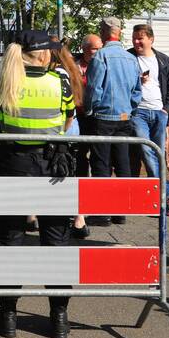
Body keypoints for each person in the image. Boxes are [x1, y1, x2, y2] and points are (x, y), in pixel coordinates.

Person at [0, 30, 76, 338]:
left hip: (14, 163)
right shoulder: (59, 82)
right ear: (41, 54)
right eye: (51, 51)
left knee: (11, 241)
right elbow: (68, 120)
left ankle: (8, 317)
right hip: (53, 165)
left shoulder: (6, 82)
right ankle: (59, 319)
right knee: (56, 242)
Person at [85, 17, 142, 225]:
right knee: (123, 163)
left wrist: (90, 110)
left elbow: (93, 89)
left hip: (103, 117)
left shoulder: (101, 56)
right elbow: (137, 91)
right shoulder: (131, 59)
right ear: (119, 32)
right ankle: (121, 212)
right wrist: (129, 109)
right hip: (125, 117)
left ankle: (102, 213)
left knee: (101, 164)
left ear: (103, 32)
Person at [129, 24, 169, 218]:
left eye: (140, 38)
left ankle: (161, 201)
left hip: (159, 113)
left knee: (158, 155)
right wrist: (136, 82)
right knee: (147, 151)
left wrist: (167, 110)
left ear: (151, 39)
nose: (136, 42)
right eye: (134, 38)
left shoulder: (164, 61)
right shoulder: (129, 58)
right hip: (138, 112)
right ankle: (165, 191)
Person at [70, 34, 102, 238]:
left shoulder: (102, 64)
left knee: (98, 161)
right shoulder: (74, 65)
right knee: (80, 161)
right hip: (77, 117)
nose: (98, 53)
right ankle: (78, 211)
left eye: (99, 49)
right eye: (94, 49)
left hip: (96, 117)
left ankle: (92, 207)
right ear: (84, 48)